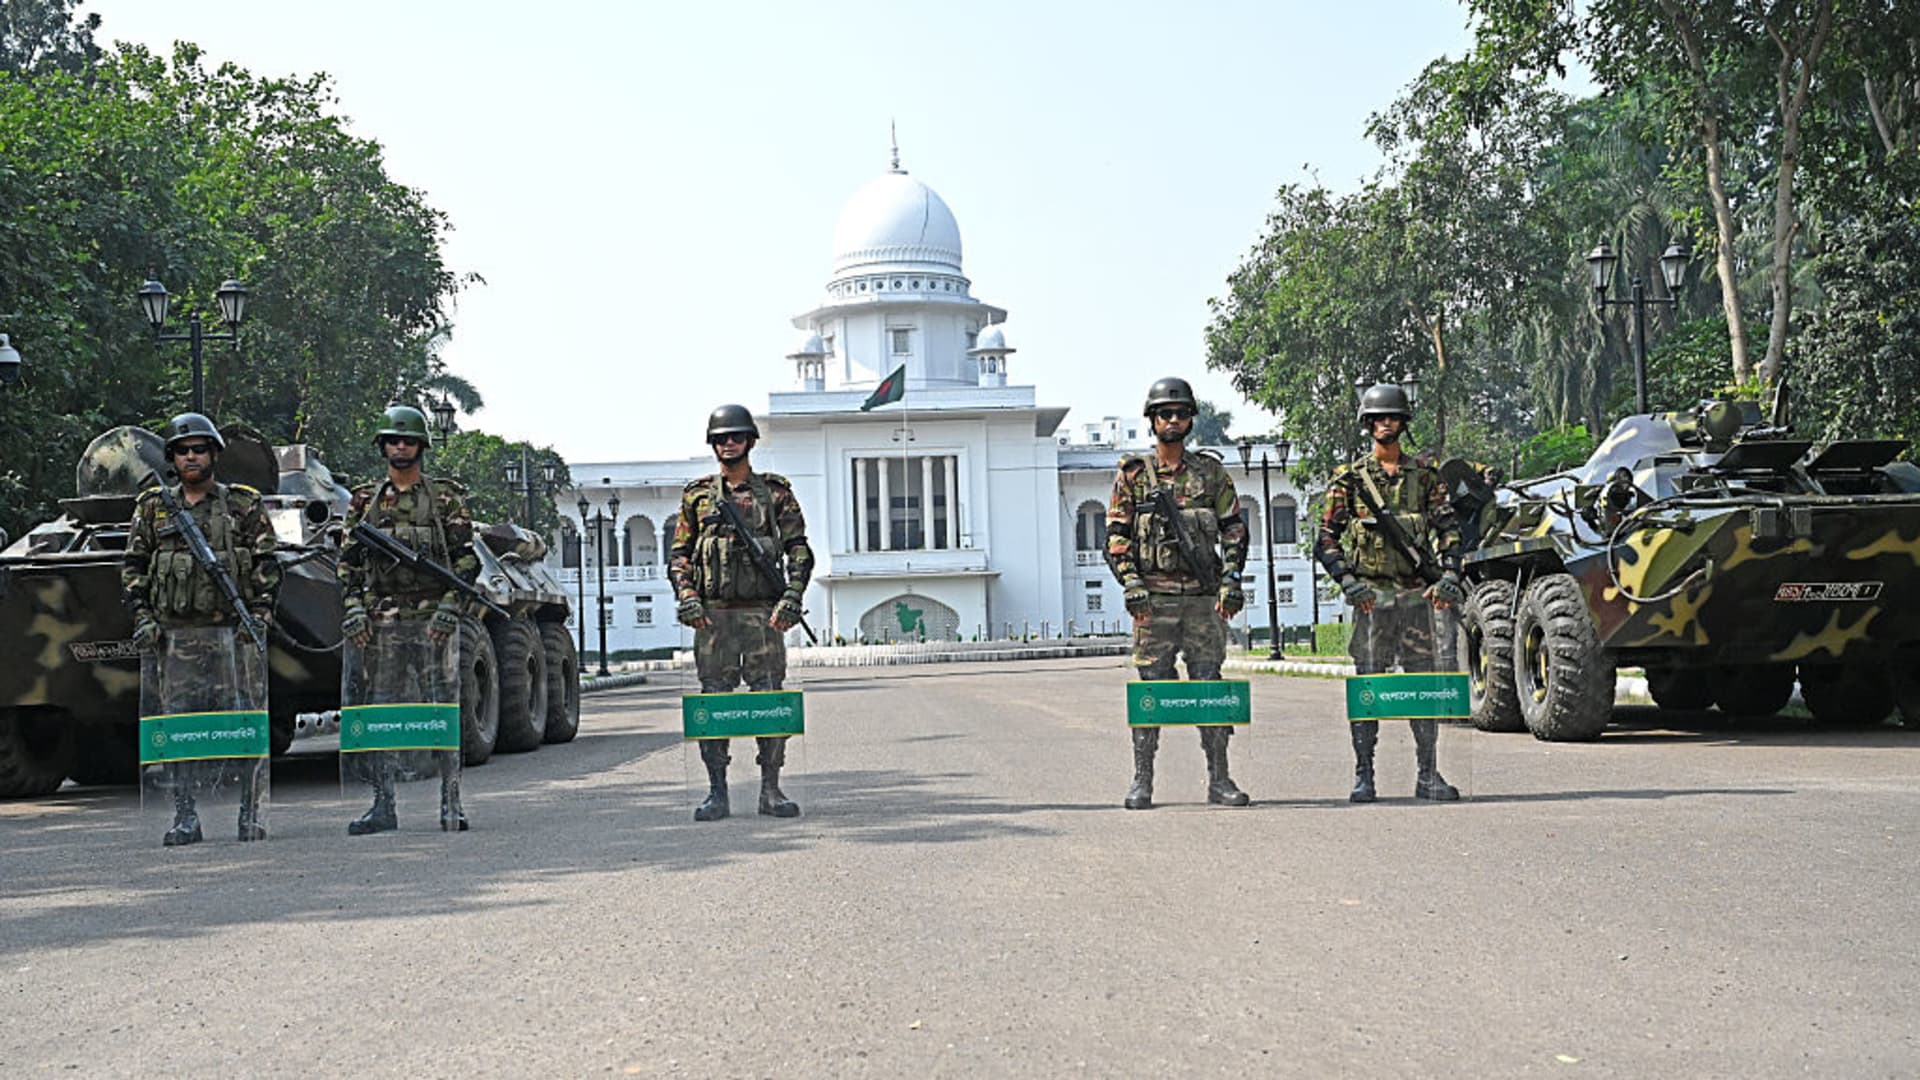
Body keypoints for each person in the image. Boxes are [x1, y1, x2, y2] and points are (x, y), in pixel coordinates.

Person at [121, 412, 281, 845]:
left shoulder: (243, 504)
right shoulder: (153, 507)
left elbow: (267, 566)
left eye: (199, 449)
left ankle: (250, 813)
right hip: (175, 639)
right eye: (182, 451)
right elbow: (134, 568)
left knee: (243, 727)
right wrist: (143, 617)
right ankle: (185, 815)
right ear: (172, 458)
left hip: (234, 635)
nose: (191, 457)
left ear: (214, 454)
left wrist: (260, 615)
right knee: (180, 731)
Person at [1315, 382, 1465, 802]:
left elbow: (1449, 531)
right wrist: (1349, 582)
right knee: (1368, 689)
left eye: (1393, 417)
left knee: (1422, 688)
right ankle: (1364, 774)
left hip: (1418, 599)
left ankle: (1428, 773)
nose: (1386, 424)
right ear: (1367, 424)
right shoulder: (1349, 481)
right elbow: (1325, 538)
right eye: (1378, 418)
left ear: (1403, 423)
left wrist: (1449, 576)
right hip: (1372, 601)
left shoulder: (1425, 477)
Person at [1105, 377, 1251, 810]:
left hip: (1203, 600)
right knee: (1151, 693)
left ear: (1191, 420)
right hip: (1154, 603)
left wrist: (1231, 579)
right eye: (1165, 414)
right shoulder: (1134, 475)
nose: (1173, 420)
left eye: (1181, 413)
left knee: (1209, 688)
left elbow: (1234, 529)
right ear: (1152, 420)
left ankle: (1219, 779)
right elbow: (1116, 537)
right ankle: (1142, 779)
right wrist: (1131, 583)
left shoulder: (1210, 473)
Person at [668, 404, 814, 822]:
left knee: (769, 699)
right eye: (721, 438)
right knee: (714, 704)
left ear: (750, 441)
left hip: (762, 615)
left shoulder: (775, 493)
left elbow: (799, 550)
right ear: (712, 444)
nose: (729, 443)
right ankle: (717, 792)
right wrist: (687, 596)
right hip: (712, 617)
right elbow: (679, 556)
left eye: (736, 436)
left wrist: (792, 598)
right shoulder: (697, 496)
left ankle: (771, 789)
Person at [338, 405, 478, 833]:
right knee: (382, 714)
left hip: (433, 621)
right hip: (382, 623)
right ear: (383, 446)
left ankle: (451, 802)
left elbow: (466, 561)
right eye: (393, 441)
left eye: (408, 441)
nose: (400, 447)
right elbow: (347, 564)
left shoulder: (444, 499)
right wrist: (354, 608)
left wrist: (450, 608)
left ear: (421, 447)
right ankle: (383, 804)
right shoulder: (365, 501)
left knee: (443, 712)